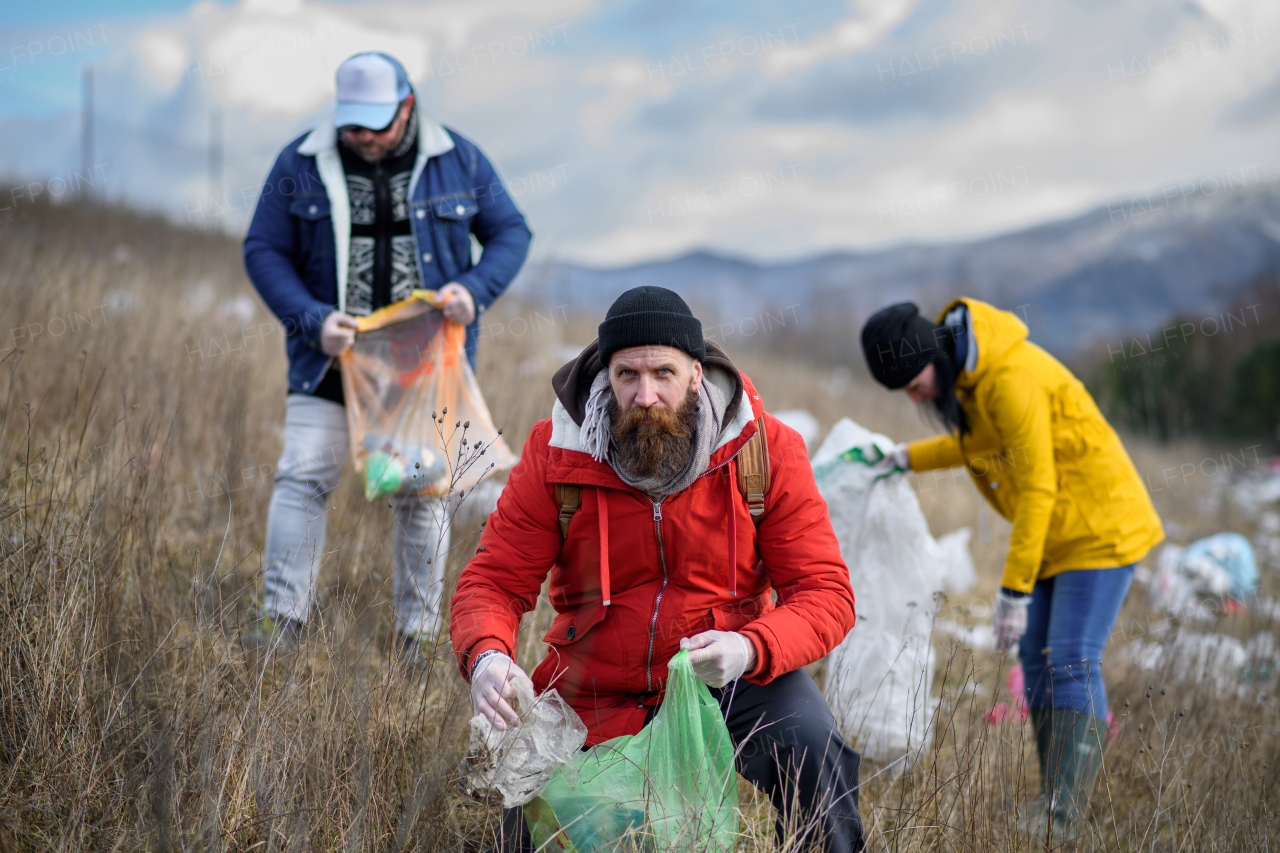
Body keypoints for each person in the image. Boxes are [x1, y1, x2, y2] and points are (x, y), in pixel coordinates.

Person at [451, 287, 865, 852]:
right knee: (525, 833)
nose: (645, 395)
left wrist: (750, 649)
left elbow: (827, 593)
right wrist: (487, 657)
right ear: (605, 376)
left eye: (663, 373)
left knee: (814, 747)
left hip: (727, 675)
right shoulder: (560, 453)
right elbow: (493, 581)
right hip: (594, 685)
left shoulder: (764, 452)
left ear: (697, 374)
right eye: (627, 375)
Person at [242, 52, 531, 659]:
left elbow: (511, 232)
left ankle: (416, 639)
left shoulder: (460, 158)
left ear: (407, 104)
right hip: (328, 358)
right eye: (353, 125)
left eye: (377, 123)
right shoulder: (300, 162)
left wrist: (472, 292)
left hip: (421, 366)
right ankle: (280, 626)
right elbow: (264, 249)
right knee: (302, 478)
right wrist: (311, 320)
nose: (364, 138)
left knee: (422, 493)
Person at [860, 298, 1163, 842]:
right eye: (902, 389)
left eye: (914, 381)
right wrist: (907, 457)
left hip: (1099, 526)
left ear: (933, 352)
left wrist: (1013, 592)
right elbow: (979, 444)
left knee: (1071, 657)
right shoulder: (972, 375)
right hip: (1057, 531)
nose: (915, 394)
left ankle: (1061, 816)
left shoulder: (1007, 377)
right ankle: (1054, 794)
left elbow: (1040, 485)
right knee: (1036, 656)